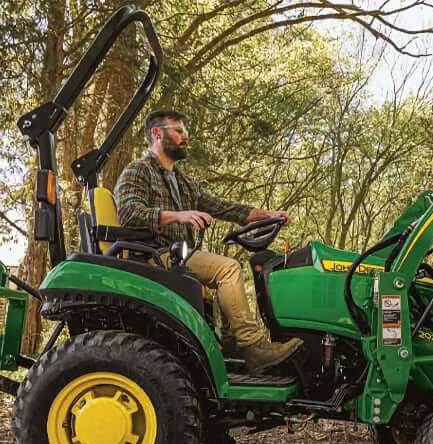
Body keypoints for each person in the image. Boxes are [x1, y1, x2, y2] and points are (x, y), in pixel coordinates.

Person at [115, 109, 302, 375]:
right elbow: (129, 212)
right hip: (154, 255)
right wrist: (178, 216)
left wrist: (269, 215)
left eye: (185, 131)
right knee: (227, 269)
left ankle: (230, 344)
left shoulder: (182, 181)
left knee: (229, 268)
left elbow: (226, 208)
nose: (185, 137)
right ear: (157, 134)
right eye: (178, 131)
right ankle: (253, 347)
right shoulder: (138, 171)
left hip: (180, 256)